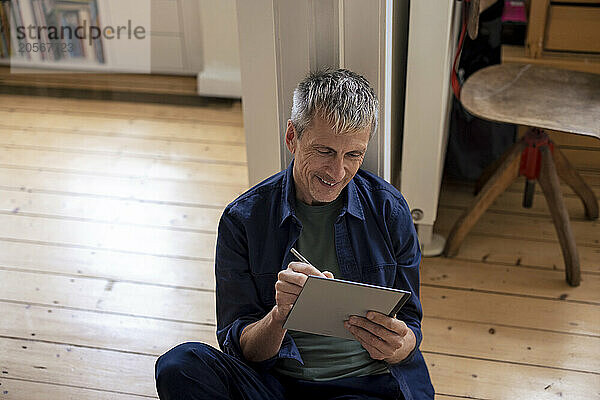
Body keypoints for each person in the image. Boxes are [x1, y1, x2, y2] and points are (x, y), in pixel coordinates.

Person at [155, 69, 435, 400]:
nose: (337, 171)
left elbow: (410, 325)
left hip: (366, 386)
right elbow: (242, 348)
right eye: (325, 151)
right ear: (292, 137)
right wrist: (279, 317)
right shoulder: (243, 220)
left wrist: (398, 345)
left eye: (353, 155)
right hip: (276, 385)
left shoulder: (389, 210)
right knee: (180, 365)